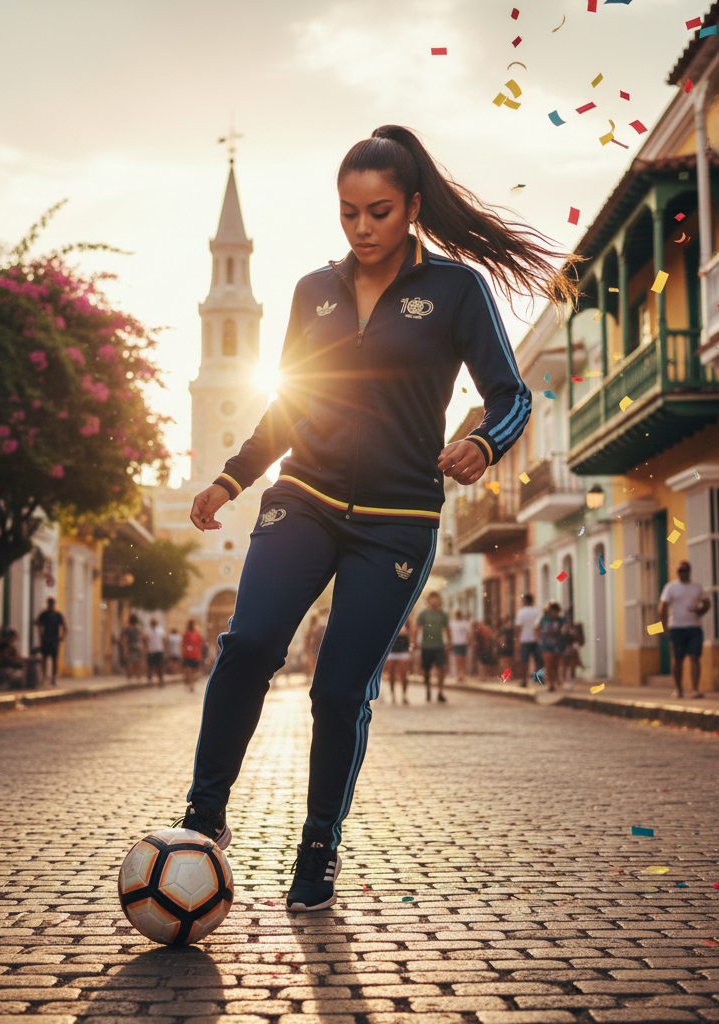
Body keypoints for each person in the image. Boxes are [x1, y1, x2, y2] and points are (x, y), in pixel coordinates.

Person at [178, 124, 575, 913]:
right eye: (349, 212)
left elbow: (511, 395)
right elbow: (289, 404)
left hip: (397, 519)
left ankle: (318, 844)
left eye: (380, 212)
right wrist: (229, 479)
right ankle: (203, 814)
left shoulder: (458, 290)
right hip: (305, 495)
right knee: (249, 643)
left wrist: (483, 444)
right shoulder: (312, 291)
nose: (362, 228)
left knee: (337, 692)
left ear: (413, 208)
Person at [657, 560, 711, 698]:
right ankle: (678, 689)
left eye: (685, 571)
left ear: (689, 572)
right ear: (677, 573)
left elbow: (706, 602)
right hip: (677, 627)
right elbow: (663, 606)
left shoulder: (697, 587)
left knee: (695, 657)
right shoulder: (671, 587)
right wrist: (663, 625)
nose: (683, 573)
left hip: (694, 626)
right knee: (678, 658)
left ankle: (695, 689)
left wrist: (701, 610)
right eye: (680, 571)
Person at [417, 591, 451, 702]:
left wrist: (449, 643)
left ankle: (440, 691)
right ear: (429, 601)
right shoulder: (423, 614)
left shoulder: (442, 614)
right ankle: (428, 689)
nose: (434, 601)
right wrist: (415, 642)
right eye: (432, 599)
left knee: (441, 668)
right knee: (426, 671)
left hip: (439, 646)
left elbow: (447, 629)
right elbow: (417, 629)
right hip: (426, 646)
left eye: (436, 599)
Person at [35, 597, 67, 687]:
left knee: (54, 659)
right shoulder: (44, 614)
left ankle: (53, 677)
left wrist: (62, 636)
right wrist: (41, 633)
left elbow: (65, 626)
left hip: (54, 639)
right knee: (45, 658)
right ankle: (44, 677)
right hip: (46, 639)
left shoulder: (57, 615)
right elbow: (38, 623)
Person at [538, 601, 567, 692]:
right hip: (546, 644)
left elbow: (565, 630)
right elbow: (538, 628)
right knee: (548, 664)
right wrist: (540, 639)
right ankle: (550, 683)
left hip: (558, 644)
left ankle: (555, 681)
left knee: (556, 664)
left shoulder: (561, 620)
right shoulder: (544, 619)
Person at [514, 593, 542, 687]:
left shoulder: (521, 612)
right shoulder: (537, 611)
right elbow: (540, 626)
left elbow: (518, 627)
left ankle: (524, 680)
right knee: (538, 660)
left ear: (525, 601)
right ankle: (539, 679)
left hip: (525, 639)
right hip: (536, 639)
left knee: (524, 661)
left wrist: (517, 640)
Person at [385, 619, 412, 703]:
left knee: (404, 674)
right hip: (392, 650)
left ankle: (404, 694)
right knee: (391, 674)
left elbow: (411, 633)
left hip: (403, 650)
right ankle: (392, 694)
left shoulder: (407, 622)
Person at [560, 612, 585, 685]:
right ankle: (564, 679)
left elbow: (580, 640)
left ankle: (570, 678)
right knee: (564, 663)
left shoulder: (575, 628)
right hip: (564, 648)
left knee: (572, 663)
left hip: (571, 647)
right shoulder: (562, 628)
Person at [120, 614, 145, 680]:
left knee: (130, 661)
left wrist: (124, 648)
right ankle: (138, 675)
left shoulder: (127, 629)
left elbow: (124, 639)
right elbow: (141, 637)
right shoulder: (138, 628)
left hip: (130, 646)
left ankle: (129, 675)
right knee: (138, 661)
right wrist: (142, 646)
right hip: (137, 645)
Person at [181, 619, 203, 693]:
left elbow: (200, 644)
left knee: (193, 671)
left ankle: (190, 682)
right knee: (189, 670)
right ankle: (191, 684)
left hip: (195, 655)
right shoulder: (186, 634)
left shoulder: (197, 634)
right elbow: (183, 644)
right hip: (188, 655)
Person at [449, 609, 470, 680]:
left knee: (463, 659)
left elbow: (468, 633)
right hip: (456, 643)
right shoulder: (452, 623)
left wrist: (469, 641)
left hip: (463, 642)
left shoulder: (464, 623)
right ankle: (459, 674)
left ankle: (463, 674)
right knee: (457, 659)